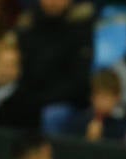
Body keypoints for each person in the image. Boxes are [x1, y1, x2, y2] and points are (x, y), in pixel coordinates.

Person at [15, 0, 95, 134]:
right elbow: (20, 69)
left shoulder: (80, 28)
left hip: (66, 103)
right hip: (31, 97)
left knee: (52, 115)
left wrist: (41, 100)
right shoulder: (29, 25)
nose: (53, 2)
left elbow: (79, 81)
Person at [64, 69, 126, 142]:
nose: (102, 103)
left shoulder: (121, 126)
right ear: (92, 97)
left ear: (117, 98)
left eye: (106, 97)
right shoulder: (77, 122)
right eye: (99, 97)